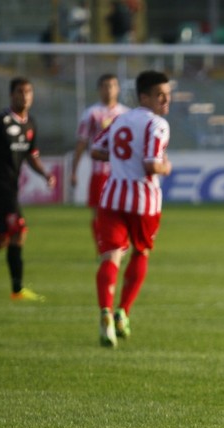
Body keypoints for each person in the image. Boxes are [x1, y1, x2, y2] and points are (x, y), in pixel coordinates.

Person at [90, 70, 171, 348]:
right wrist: (166, 167)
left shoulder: (120, 119)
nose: (166, 100)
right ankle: (122, 312)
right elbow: (151, 164)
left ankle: (105, 310)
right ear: (144, 97)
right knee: (141, 251)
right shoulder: (158, 124)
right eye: (160, 95)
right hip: (144, 200)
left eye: (168, 95)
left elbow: (96, 150)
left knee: (111, 256)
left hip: (112, 197)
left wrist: (121, 159)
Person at [0, 78, 56, 302]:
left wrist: (45, 174)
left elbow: (32, 155)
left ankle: (17, 290)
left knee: (1, 240)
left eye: (29, 92)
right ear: (12, 95)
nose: (25, 96)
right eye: (20, 92)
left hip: (11, 188)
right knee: (18, 231)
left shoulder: (30, 124)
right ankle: (17, 290)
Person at [72, 74, 130, 239]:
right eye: (105, 86)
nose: (109, 89)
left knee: (123, 211)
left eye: (113, 85)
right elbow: (81, 143)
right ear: (99, 89)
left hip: (122, 174)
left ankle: (120, 244)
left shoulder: (126, 114)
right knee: (98, 213)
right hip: (100, 173)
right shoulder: (91, 113)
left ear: (118, 89)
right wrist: (74, 171)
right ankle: (102, 246)